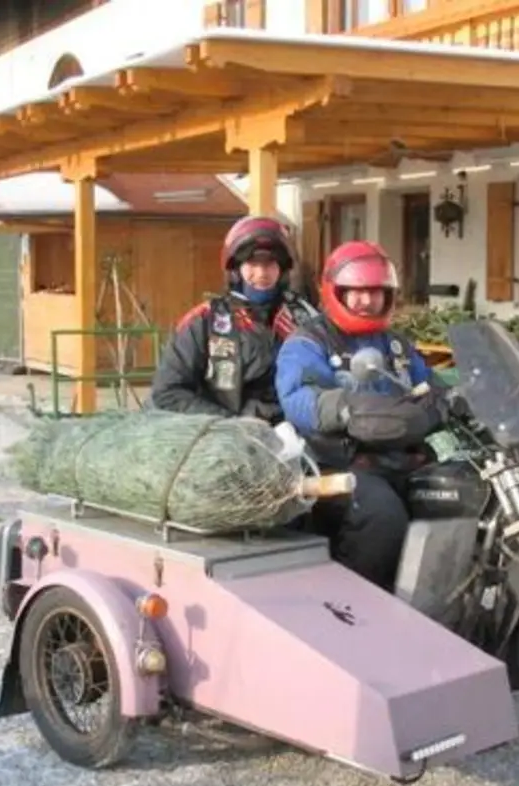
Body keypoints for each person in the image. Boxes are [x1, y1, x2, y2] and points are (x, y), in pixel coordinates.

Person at [276, 240, 444, 590]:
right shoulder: (308, 342)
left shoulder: (395, 344)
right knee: (381, 516)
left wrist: (455, 398)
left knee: (458, 496)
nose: (367, 300)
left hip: (401, 458)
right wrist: (347, 410)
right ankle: (357, 609)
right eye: (356, 292)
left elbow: (429, 382)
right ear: (335, 292)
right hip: (338, 464)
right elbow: (299, 396)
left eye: (375, 292)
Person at [147, 215, 322, 422]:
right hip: (223, 437)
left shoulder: (306, 319)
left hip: (296, 433)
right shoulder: (204, 322)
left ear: (282, 269)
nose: (261, 273)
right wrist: (232, 424)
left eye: (270, 264)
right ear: (235, 270)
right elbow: (167, 392)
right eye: (252, 263)